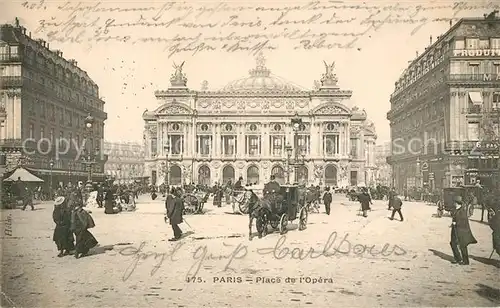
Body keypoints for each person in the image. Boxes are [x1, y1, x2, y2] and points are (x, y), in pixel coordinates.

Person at [450, 195, 477, 265]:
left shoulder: (462, 211)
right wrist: (453, 224)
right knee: (453, 243)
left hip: (461, 231)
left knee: (462, 245)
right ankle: (458, 258)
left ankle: (465, 261)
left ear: (457, 203)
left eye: (454, 202)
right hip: (455, 230)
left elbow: (464, 221)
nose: (453, 203)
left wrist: (456, 223)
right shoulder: (456, 209)